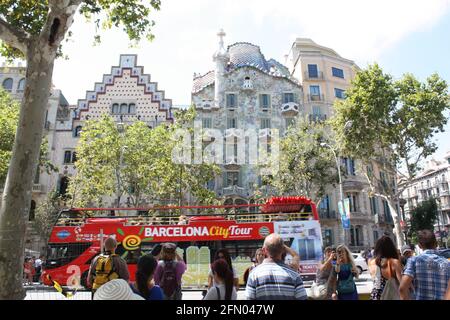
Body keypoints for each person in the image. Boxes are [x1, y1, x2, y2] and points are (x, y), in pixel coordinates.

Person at [245, 233, 307, 300]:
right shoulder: (294, 275)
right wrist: (282, 247)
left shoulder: (254, 274)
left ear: (264, 250)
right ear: (283, 250)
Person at [399, 230, 450, 300]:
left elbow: (402, 288)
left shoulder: (413, 261)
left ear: (419, 245)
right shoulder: (447, 263)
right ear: (436, 243)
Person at [368, 236, 403, 300]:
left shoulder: (372, 262)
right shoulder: (394, 262)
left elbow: (375, 281)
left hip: (375, 296)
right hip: (390, 295)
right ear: (391, 248)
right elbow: (402, 284)